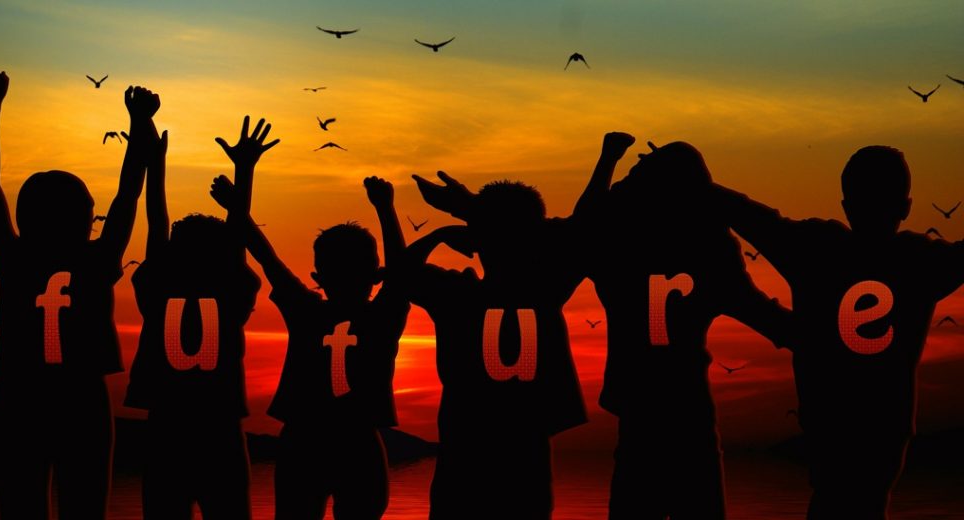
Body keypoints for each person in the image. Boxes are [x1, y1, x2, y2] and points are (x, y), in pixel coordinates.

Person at [710, 145, 964, 519]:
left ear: (846, 205)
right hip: (884, 428)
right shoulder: (921, 260)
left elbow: (749, 215)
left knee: (830, 499)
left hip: (828, 425)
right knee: (868, 503)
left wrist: (694, 181)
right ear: (906, 207)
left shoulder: (814, 248)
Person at [575, 133, 792, 519]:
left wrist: (608, 159)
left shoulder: (616, 249)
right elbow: (770, 320)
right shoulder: (709, 253)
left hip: (639, 408)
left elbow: (586, 223)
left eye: (637, 172)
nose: (629, 178)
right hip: (686, 410)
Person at [0, 70, 154, 518]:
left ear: (25, 216)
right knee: (86, 507)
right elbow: (129, 194)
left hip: (19, 395)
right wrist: (140, 124)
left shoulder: (14, 258)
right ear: (85, 217)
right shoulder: (97, 260)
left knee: (21, 506)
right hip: (81, 395)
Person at [209, 126, 409, 519]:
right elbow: (401, 276)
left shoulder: (307, 310)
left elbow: (266, 257)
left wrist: (239, 200)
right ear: (375, 275)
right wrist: (385, 208)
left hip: (305, 440)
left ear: (317, 275)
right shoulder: (381, 316)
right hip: (356, 443)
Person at [403, 172, 588, 519]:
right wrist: (470, 211)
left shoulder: (456, 295)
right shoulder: (546, 287)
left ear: (480, 238)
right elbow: (576, 230)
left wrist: (444, 232)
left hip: (464, 456)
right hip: (523, 457)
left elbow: (402, 274)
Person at [124, 112, 261, 518]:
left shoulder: (159, 286)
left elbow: (156, 224)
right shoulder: (228, 290)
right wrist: (244, 171)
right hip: (219, 428)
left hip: (168, 427)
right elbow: (235, 242)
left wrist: (155, 164)